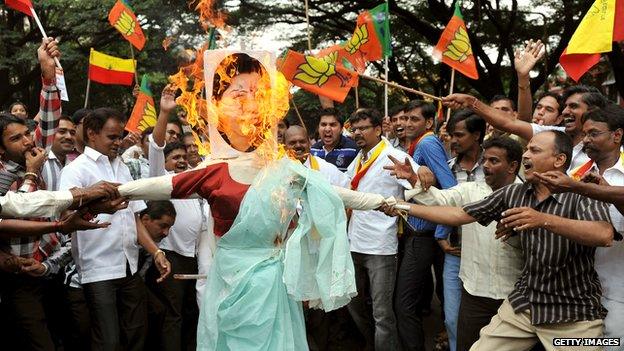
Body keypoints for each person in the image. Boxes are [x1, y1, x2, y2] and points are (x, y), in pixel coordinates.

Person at [117, 51, 393, 351]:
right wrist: (101, 193)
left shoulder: (284, 169)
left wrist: (385, 203)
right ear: (219, 107)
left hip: (271, 285)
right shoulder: (213, 170)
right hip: (228, 281)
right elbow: (158, 185)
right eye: (237, 95)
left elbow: (332, 194)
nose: (248, 105)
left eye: (255, 95)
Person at [391, 130, 613, 351]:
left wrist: (543, 220)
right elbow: (457, 214)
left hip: (573, 313)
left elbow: (604, 234)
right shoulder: (513, 193)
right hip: (524, 304)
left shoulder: (582, 193)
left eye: (534, 150)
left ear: (559, 160)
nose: (526, 155)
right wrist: (399, 206)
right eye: (526, 149)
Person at [386, 136, 525, 351]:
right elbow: (438, 201)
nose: (486, 166)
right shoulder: (470, 190)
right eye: (485, 160)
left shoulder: (530, 195)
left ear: (513, 166)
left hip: (514, 296)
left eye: (494, 161)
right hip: (474, 293)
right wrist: (413, 179)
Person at [59, 107, 171, 351]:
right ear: (91, 134)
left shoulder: (120, 167)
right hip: (98, 269)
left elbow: (134, 217)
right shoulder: (75, 171)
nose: (118, 142)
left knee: (136, 336)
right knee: (108, 341)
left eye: (120, 137)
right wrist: (97, 206)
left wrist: (156, 252)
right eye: (112, 137)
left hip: (128, 267)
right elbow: (65, 219)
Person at [540, 105, 624, 349]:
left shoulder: (576, 183)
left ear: (616, 135)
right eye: (585, 134)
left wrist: (587, 189)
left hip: (618, 290)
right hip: (579, 292)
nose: (586, 140)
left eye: (594, 134)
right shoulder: (575, 175)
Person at [345, 108, 418, 351]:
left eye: (363, 128)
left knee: (382, 313)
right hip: (353, 241)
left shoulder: (393, 156)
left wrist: (421, 175)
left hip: (380, 246)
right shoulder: (358, 159)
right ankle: (371, 343)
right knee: (353, 304)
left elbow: (418, 181)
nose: (357, 133)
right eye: (354, 129)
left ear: (378, 129)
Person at [147, 91, 214, 351]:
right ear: (163, 164)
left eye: (184, 159)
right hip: (170, 256)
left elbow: (211, 159)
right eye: (175, 159)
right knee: (173, 316)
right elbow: (156, 148)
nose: (181, 162)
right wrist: (164, 113)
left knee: (190, 313)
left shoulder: (191, 180)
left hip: (194, 256)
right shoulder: (160, 179)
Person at [395, 100, 456, 351]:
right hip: (421, 232)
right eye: (405, 118)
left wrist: (442, 232)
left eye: (414, 119)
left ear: (429, 123)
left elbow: (451, 189)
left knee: (404, 304)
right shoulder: (418, 144)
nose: (406, 123)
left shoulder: (428, 143)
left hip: (424, 233)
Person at [443, 85, 608, 171]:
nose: (565, 112)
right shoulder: (553, 135)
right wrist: (471, 102)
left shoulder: (611, 149)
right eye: (565, 107)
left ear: (593, 111)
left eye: (573, 106)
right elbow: (509, 123)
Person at [442, 109, 487, 351]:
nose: (453, 140)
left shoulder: (496, 166)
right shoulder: (446, 170)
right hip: (454, 253)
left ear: (477, 135)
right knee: (452, 319)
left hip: (486, 256)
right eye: (450, 135)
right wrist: (441, 238)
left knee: (485, 322)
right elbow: (437, 206)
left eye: (459, 135)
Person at [284, 125, 349, 187]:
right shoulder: (277, 169)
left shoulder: (326, 168)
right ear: (284, 146)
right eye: (292, 143)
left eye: (302, 141)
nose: (298, 145)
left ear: (309, 143)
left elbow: (349, 189)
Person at [310, 108, 359, 172]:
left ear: (342, 129)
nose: (327, 129)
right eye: (323, 124)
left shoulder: (354, 150)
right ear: (318, 128)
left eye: (332, 125)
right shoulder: (313, 150)